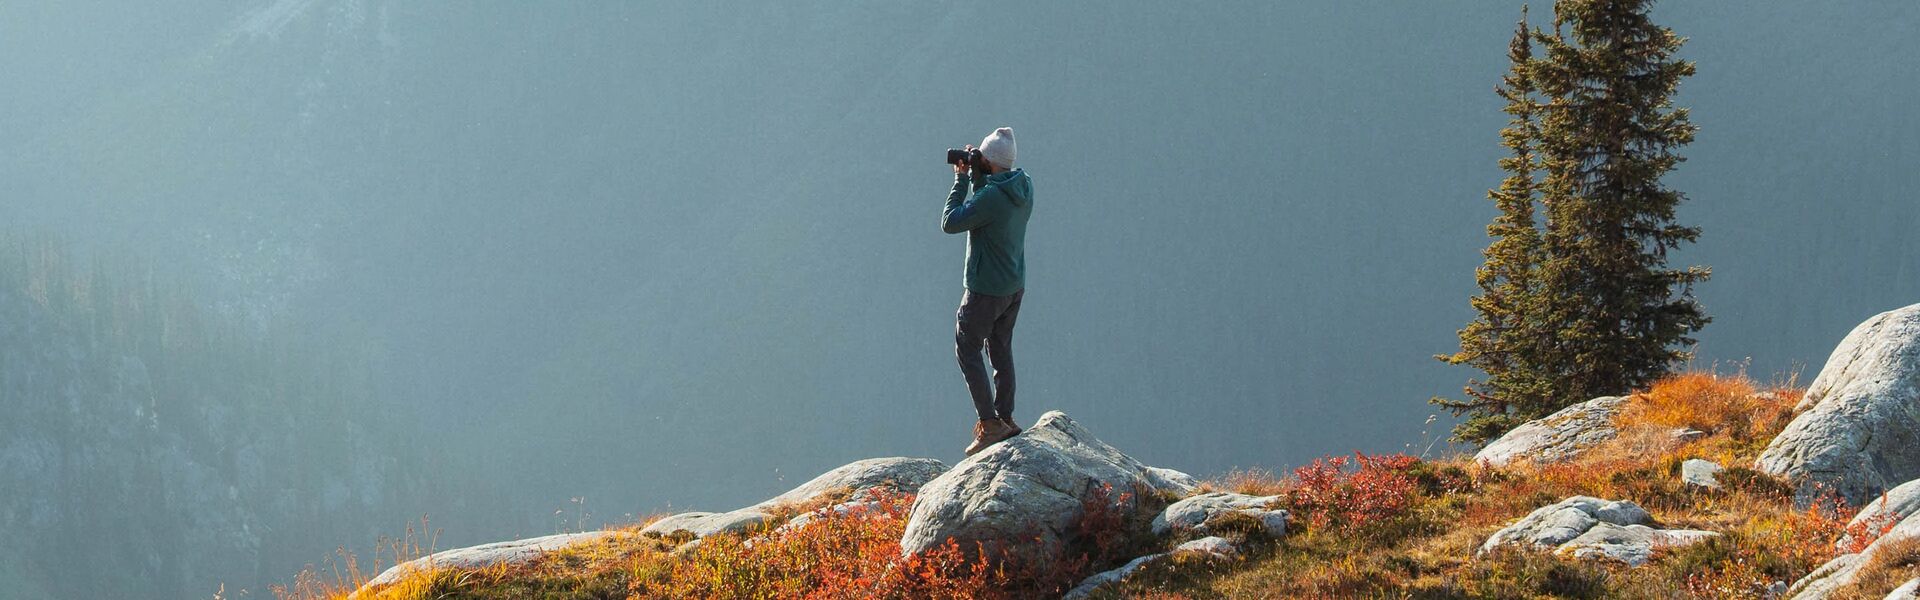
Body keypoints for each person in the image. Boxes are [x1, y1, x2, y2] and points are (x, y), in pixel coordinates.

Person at [941, 127, 1033, 456]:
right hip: (1013, 286)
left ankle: (990, 424)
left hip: (985, 290)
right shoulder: (1022, 186)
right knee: (1000, 348)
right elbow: (991, 205)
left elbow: (951, 222)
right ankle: (1005, 417)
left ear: (989, 162)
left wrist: (961, 180)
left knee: (967, 347)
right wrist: (980, 176)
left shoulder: (991, 198)